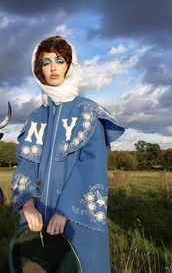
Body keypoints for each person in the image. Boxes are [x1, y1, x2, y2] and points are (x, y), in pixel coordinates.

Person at [11, 36, 124, 272]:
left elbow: (91, 166)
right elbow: (25, 164)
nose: (53, 67)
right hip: (37, 218)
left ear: (69, 65)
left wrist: (66, 211)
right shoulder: (36, 117)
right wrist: (28, 205)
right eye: (46, 62)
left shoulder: (88, 112)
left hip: (76, 220)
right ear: (38, 69)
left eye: (59, 60)